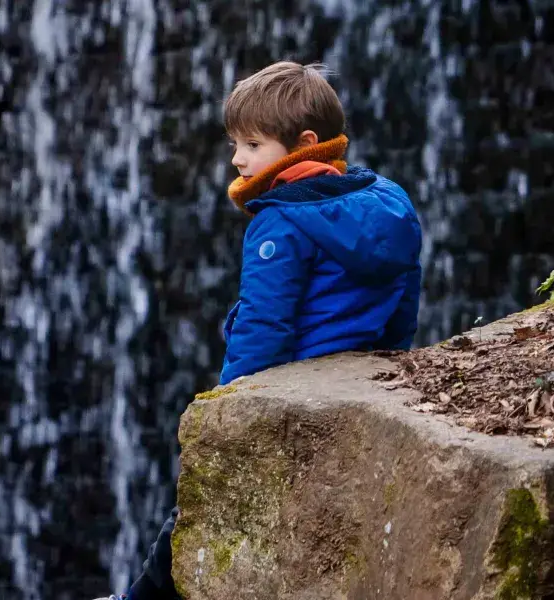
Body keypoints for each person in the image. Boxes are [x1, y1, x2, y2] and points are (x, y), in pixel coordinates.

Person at [98, 61, 422, 600]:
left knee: (195, 512)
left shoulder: (279, 221)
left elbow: (264, 322)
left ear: (305, 143)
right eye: (235, 143)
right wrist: (393, 352)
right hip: (353, 379)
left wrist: (230, 401)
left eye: (250, 143)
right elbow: (404, 290)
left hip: (287, 389)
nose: (237, 158)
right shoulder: (388, 205)